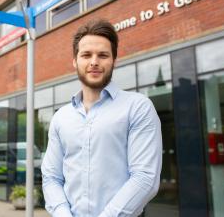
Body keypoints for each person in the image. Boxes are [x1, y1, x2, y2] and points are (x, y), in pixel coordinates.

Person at [41, 19, 162, 217]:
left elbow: (144, 177)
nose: (94, 61)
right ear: (75, 61)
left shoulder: (137, 107)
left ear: (114, 60)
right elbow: (51, 177)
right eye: (86, 55)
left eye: (103, 55)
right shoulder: (61, 118)